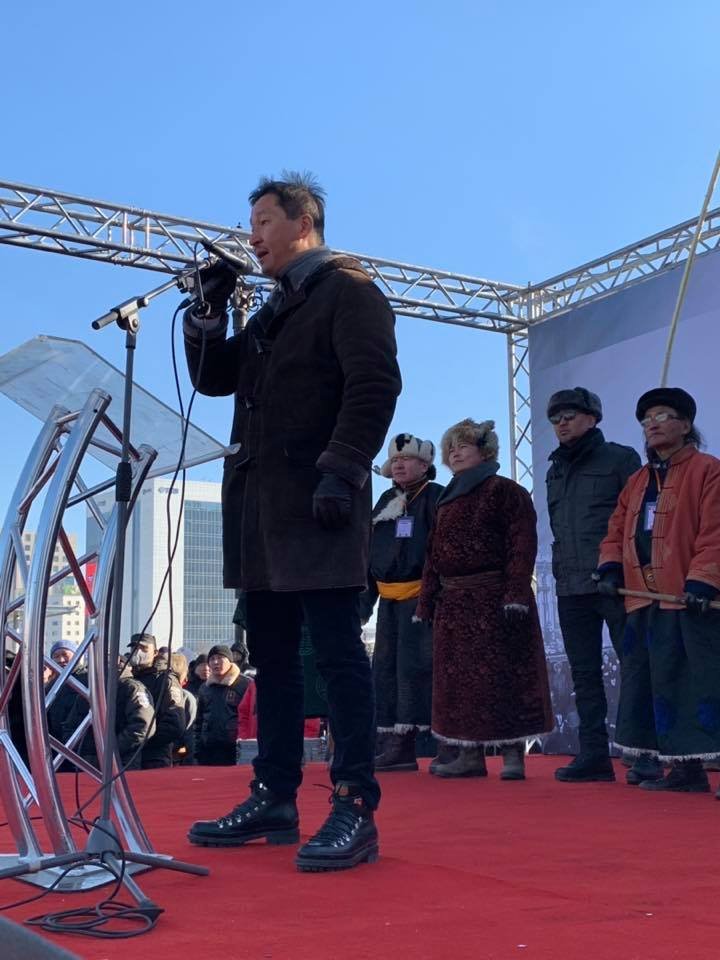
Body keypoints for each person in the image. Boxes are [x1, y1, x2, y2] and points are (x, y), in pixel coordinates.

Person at [183, 172, 401, 871]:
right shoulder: (271, 312)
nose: (252, 237)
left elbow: (375, 384)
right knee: (272, 660)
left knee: (337, 654)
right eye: (250, 224)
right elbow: (214, 379)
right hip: (261, 512)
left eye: (263, 222)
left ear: (303, 223)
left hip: (319, 501)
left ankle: (355, 803)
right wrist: (208, 315)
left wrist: (343, 467)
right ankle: (274, 795)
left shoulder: (349, 290)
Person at [597, 387, 720, 795]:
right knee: (660, 684)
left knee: (705, 682)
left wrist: (704, 579)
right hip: (647, 600)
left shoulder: (708, 471)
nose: (652, 424)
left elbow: (715, 532)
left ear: (686, 425)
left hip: (692, 600)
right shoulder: (636, 481)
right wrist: (610, 567)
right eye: (647, 419)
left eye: (663, 415)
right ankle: (684, 770)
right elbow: (616, 530)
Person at [416, 418, 552, 779]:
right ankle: (470, 756)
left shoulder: (505, 491)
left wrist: (515, 593)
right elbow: (432, 555)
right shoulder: (446, 499)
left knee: (505, 677)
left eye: (463, 446)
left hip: (495, 598)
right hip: (454, 603)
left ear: (485, 451)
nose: (455, 453)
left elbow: (521, 545)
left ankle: (513, 757)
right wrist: (427, 600)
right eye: (451, 448)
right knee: (460, 683)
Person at [544, 387, 647, 784]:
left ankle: (644, 753)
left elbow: (635, 520)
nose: (562, 424)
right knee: (583, 674)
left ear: (592, 418)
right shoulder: (554, 470)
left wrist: (619, 568)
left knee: (634, 667)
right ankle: (594, 755)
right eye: (555, 419)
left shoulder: (621, 458)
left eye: (569, 416)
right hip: (570, 585)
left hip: (614, 582)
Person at [360, 433, 443, 772]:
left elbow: (441, 552)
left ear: (424, 465)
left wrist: (435, 598)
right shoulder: (385, 501)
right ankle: (397, 746)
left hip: (423, 600)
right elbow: (369, 556)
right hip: (389, 603)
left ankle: (441, 743)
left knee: (420, 670)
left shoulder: (436, 497)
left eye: (406, 459)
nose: (398, 464)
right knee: (386, 671)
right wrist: (363, 606)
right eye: (395, 460)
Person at [127, 633, 185, 769]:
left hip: (155, 757)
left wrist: (145, 740)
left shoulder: (165, 680)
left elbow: (175, 723)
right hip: (128, 756)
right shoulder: (128, 678)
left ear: (155, 652)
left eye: (144, 648)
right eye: (134, 648)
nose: (138, 652)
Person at [194, 645, 254, 765]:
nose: (215, 662)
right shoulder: (205, 688)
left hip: (235, 750)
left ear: (230, 661)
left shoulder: (246, 684)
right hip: (208, 751)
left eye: (220, 658)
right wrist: (197, 748)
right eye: (212, 659)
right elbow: (199, 721)